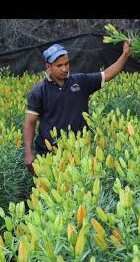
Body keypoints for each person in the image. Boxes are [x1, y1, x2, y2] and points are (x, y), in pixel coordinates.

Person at [24, 41, 131, 174]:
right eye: (59, 65)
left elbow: (107, 74)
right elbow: (30, 122)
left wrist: (125, 55)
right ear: (48, 67)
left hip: (80, 152)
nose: (65, 69)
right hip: (49, 155)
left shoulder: (80, 81)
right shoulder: (39, 91)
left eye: (66, 64)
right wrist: (28, 153)